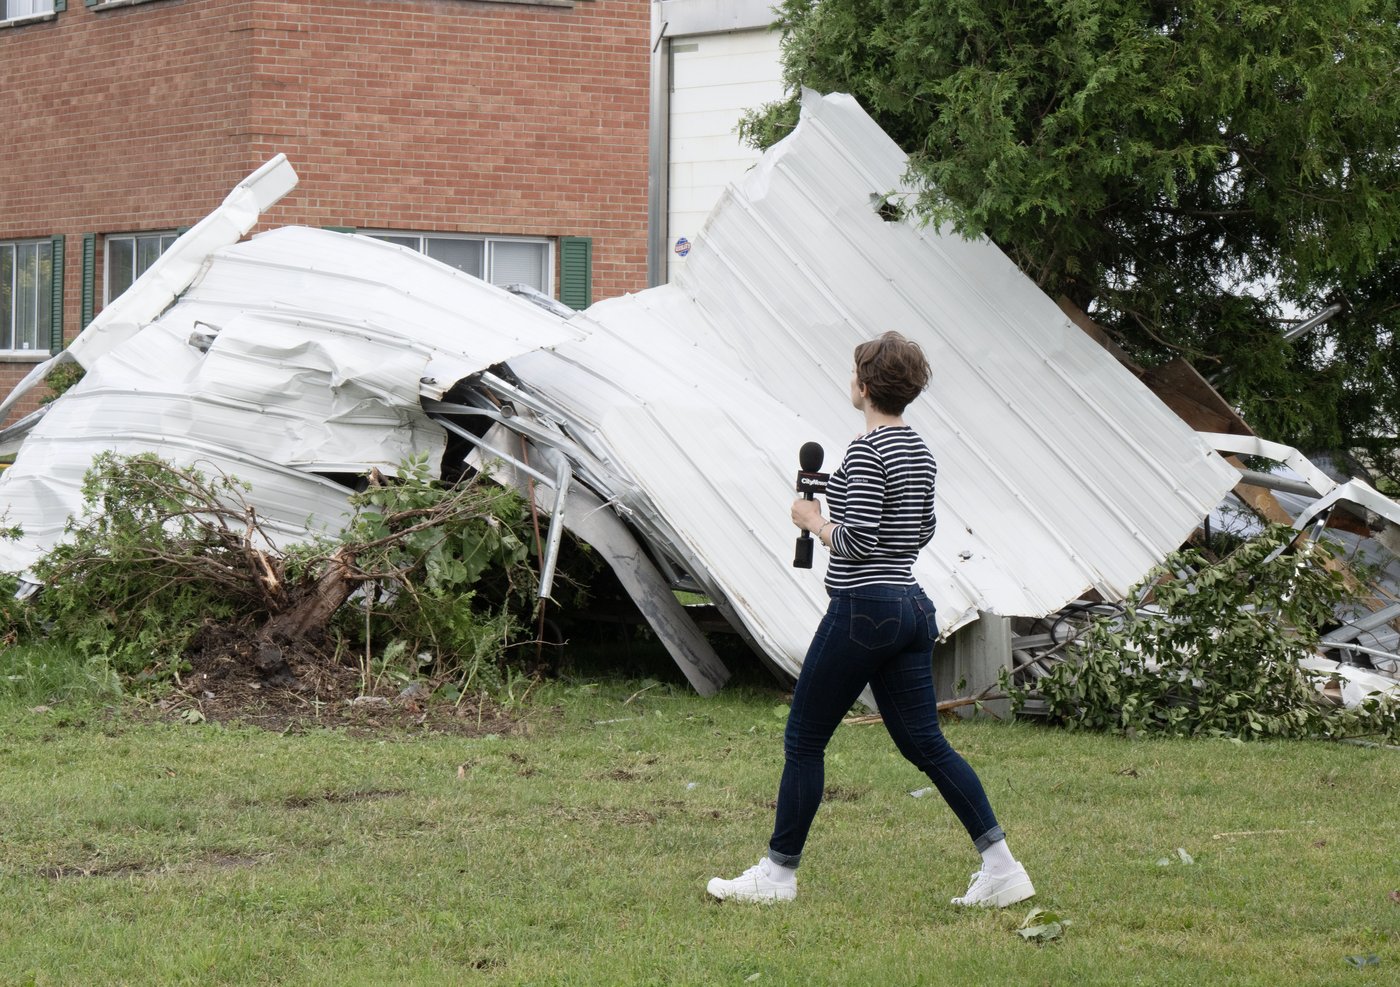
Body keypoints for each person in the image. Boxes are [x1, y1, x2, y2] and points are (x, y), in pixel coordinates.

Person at [706, 331, 1035, 908]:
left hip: (863, 611)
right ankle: (1003, 868)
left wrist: (812, 518)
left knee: (804, 739)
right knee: (927, 746)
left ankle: (777, 876)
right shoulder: (919, 451)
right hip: (911, 608)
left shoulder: (865, 451)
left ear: (862, 386)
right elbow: (919, 527)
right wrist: (841, 497)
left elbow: (856, 541)